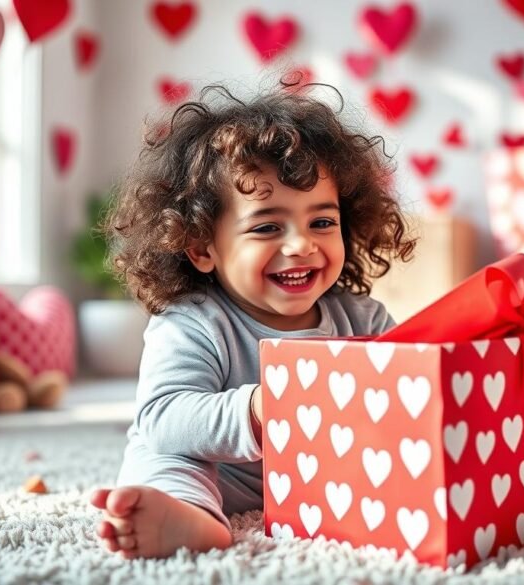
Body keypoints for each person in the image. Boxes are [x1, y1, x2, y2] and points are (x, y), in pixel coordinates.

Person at [90, 81, 415, 559]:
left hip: (326, 476)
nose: (302, 245)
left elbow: (409, 399)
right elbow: (164, 417)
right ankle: (186, 517)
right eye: (267, 227)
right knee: (162, 457)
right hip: (220, 475)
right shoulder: (194, 321)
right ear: (202, 247)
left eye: (322, 222)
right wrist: (261, 408)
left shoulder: (364, 319)